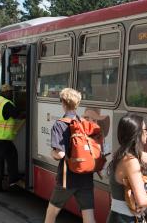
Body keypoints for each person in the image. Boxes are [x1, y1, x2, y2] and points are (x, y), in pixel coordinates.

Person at [44, 88, 95, 223]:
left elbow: (60, 154)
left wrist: (52, 152)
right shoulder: (85, 123)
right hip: (86, 177)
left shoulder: (59, 125)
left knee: (51, 212)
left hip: (67, 178)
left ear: (63, 104)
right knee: (89, 216)